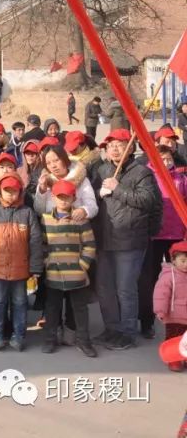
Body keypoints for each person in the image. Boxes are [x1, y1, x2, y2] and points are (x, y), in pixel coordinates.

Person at [90, 128, 163, 349]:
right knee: (105, 287)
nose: (114, 148)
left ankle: (128, 332)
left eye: (119, 144)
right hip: (105, 239)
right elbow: (90, 201)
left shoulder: (141, 172)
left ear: (130, 148)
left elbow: (148, 200)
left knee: (125, 288)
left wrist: (118, 188)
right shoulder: (101, 170)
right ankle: (111, 328)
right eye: (110, 145)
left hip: (130, 240)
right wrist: (97, 194)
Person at [0, 173, 44, 351]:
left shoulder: (27, 213)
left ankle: (19, 335)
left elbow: (35, 241)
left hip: (21, 270)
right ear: (0, 193)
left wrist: (35, 267)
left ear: (20, 192)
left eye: (14, 191)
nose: (10, 194)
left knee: (20, 303)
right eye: (6, 191)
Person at [40, 179, 99, 357]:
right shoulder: (45, 219)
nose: (64, 201)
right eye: (60, 197)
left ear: (74, 198)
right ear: (53, 197)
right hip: (54, 272)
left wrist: (82, 265)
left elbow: (90, 245)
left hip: (76, 273)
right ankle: (50, 339)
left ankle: (83, 341)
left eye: (67, 197)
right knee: (52, 307)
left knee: (80, 308)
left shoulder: (80, 219)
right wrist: (47, 261)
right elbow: (42, 245)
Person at [139, 145, 187, 338]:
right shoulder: (147, 177)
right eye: (161, 159)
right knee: (151, 279)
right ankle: (146, 321)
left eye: (168, 159)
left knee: (182, 279)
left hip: (177, 234)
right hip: (154, 235)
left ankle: (180, 319)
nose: (166, 163)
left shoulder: (181, 179)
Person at [152, 241, 187, 371]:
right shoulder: (168, 277)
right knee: (173, 339)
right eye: (182, 261)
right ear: (173, 260)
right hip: (174, 317)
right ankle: (174, 360)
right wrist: (160, 311)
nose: (186, 265)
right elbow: (161, 295)